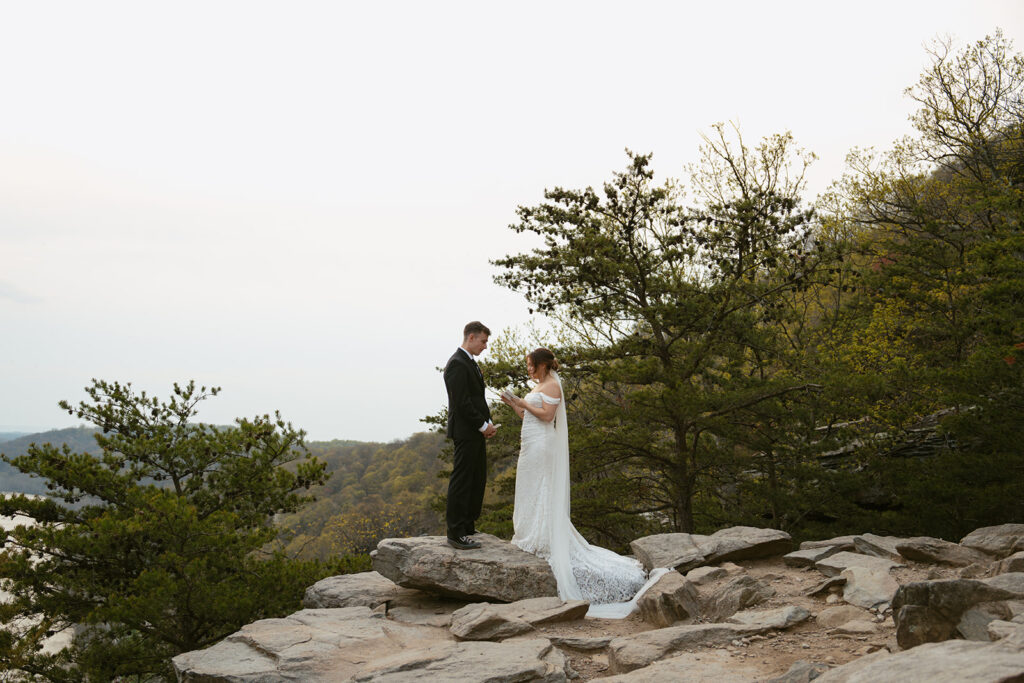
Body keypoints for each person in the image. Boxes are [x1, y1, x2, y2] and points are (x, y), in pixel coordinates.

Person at [501, 348, 654, 615]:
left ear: (542, 365)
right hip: (530, 443)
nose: (528, 369)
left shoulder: (553, 385)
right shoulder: (539, 385)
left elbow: (548, 416)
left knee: (543, 489)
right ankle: (531, 534)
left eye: (530, 365)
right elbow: (528, 418)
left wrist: (524, 403)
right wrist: (515, 404)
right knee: (530, 489)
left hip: (543, 444)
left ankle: (544, 539)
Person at [443, 321, 497, 550]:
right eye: (483, 341)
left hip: (475, 431)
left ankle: (466, 526)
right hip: (466, 432)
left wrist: (488, 422)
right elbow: (461, 402)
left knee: (476, 479)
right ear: (471, 337)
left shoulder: (470, 363)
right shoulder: (457, 363)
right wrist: (482, 425)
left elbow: (476, 399)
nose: (485, 346)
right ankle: (455, 533)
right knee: (462, 481)